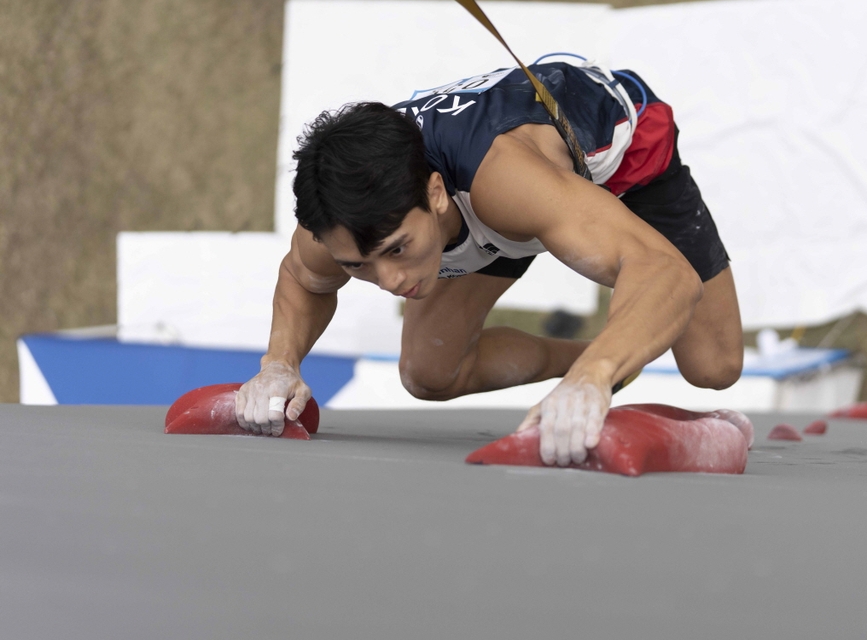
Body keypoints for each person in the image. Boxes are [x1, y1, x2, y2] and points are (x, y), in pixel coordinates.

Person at [234, 58, 743, 466]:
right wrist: (279, 363)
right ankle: (598, 361)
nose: (389, 281)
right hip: (496, 209)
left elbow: (666, 272)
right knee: (429, 373)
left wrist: (595, 376)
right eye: (358, 266)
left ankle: (601, 365)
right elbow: (303, 278)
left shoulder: (507, 182)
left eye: (396, 250)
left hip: (624, 165)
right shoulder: (337, 220)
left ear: (435, 195)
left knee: (714, 367)